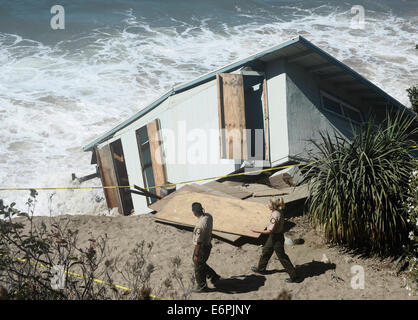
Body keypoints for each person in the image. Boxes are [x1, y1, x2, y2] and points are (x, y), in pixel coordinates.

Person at [250, 197, 301, 283]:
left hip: (276, 238)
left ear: (273, 206)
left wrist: (256, 231)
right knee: (266, 251)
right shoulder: (278, 210)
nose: (267, 205)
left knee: (282, 257)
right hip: (274, 236)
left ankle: (295, 276)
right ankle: (261, 269)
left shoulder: (275, 215)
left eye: (269, 204)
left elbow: (269, 230)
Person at [191, 202, 220, 292]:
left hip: (202, 248)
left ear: (194, 212)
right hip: (208, 244)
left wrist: (196, 254)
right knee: (201, 263)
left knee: (198, 266)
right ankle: (213, 276)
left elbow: (198, 242)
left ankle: (202, 286)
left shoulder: (200, 226)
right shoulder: (208, 216)